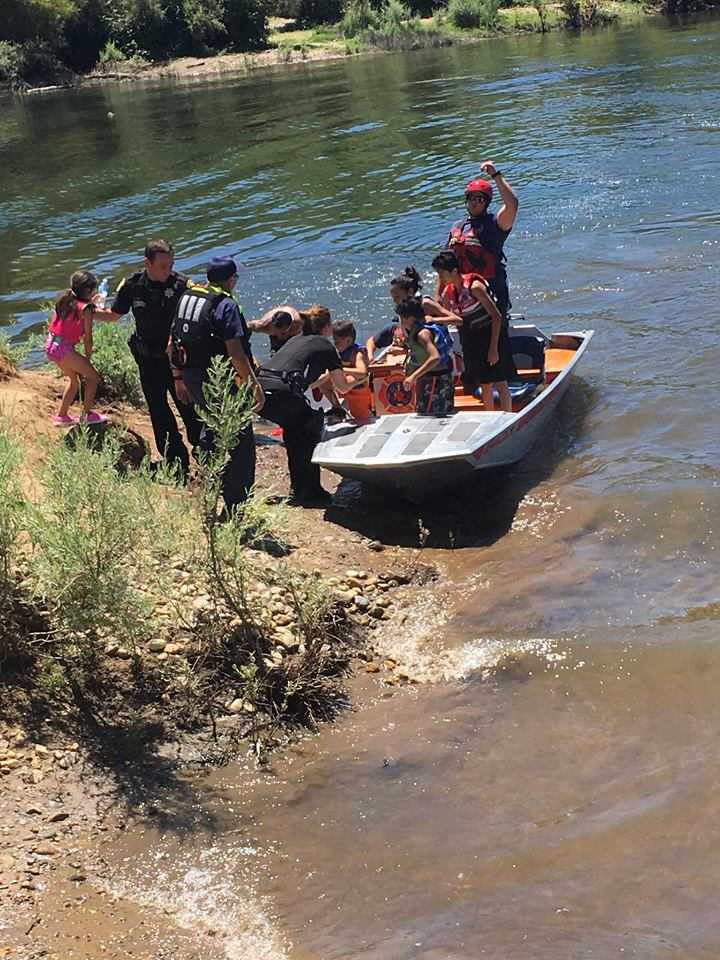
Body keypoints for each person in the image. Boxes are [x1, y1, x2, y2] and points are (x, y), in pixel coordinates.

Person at [171, 256, 263, 516]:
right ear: (230, 279)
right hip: (220, 381)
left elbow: (173, 341)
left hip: (193, 377)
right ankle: (236, 508)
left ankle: (207, 488)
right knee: (241, 443)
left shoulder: (189, 297)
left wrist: (178, 377)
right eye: (236, 277)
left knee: (211, 429)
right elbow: (235, 353)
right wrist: (254, 386)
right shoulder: (226, 306)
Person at [102, 239, 201, 478]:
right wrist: (84, 312)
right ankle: (176, 465)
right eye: (163, 265)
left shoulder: (182, 286)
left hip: (176, 361)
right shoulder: (133, 286)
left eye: (171, 264)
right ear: (148, 263)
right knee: (159, 413)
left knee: (189, 410)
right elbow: (115, 315)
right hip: (148, 360)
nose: (168, 269)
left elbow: (196, 320)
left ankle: (208, 458)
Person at [257, 309, 356, 507]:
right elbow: (342, 386)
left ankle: (299, 490)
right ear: (327, 327)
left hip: (260, 389)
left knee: (295, 433)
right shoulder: (326, 346)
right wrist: (361, 378)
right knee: (310, 426)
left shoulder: (296, 338)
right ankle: (311, 492)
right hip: (282, 392)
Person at [432, 250, 515, 413]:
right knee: (484, 382)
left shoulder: (475, 287)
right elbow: (449, 314)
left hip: (491, 334)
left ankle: (508, 416)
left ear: (454, 271)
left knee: (500, 382)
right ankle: (490, 418)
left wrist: (493, 349)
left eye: (442, 274)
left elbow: (496, 317)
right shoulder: (450, 292)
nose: (440, 278)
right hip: (471, 337)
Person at [445, 161, 518, 315]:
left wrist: (495, 175)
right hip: (465, 294)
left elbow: (512, 204)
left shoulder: (495, 224)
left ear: (487, 203)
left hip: (492, 292)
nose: (474, 203)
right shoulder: (458, 227)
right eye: (471, 198)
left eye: (480, 199)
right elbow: (445, 265)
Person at [45, 270, 113, 426]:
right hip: (64, 349)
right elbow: (88, 339)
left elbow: (76, 311)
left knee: (74, 382)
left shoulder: (66, 299)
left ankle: (61, 417)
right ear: (88, 291)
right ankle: (86, 415)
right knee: (93, 377)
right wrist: (87, 360)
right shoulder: (87, 309)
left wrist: (92, 302)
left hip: (51, 345)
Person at [395, 298, 455, 417]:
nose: (401, 322)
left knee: (431, 415)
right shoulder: (418, 329)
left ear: (410, 318)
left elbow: (435, 357)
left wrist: (413, 377)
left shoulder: (423, 334)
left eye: (402, 318)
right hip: (430, 378)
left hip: (436, 381)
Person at [366, 267, 421, 362]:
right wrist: (371, 358)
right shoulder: (396, 327)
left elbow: (429, 350)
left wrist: (405, 351)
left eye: (397, 297)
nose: (394, 301)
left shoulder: (424, 321)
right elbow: (371, 341)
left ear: (410, 292)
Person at [330, 320, 373, 424]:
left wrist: (340, 369)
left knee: (361, 418)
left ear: (348, 340)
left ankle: (366, 419)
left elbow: (362, 372)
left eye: (337, 342)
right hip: (346, 388)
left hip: (359, 390)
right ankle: (337, 408)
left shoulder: (357, 353)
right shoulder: (340, 351)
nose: (335, 344)